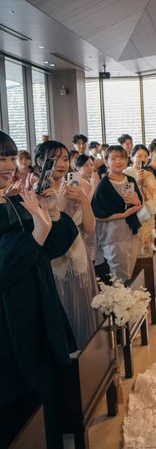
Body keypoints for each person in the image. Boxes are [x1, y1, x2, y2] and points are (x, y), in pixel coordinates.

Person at [0, 130, 79, 449]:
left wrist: (52, 211)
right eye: (0, 159)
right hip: (9, 322)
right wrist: (37, 234)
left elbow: (52, 248)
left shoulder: (15, 200)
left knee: (45, 396)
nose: (8, 165)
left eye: (10, 158)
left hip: (39, 309)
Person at [34, 141, 100, 349]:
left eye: (64, 159)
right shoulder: (35, 194)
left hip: (79, 256)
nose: (61, 164)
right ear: (40, 162)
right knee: (63, 310)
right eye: (53, 159)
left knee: (83, 308)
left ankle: (90, 361)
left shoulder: (79, 187)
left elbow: (89, 228)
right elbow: (46, 234)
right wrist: (59, 206)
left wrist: (85, 200)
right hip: (55, 261)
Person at [92, 145, 143, 281]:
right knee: (118, 277)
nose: (118, 161)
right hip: (112, 236)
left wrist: (137, 201)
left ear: (127, 160)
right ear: (106, 161)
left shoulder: (130, 180)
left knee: (129, 272)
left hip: (131, 232)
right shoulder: (104, 185)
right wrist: (124, 215)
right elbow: (97, 215)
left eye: (121, 158)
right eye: (113, 158)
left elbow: (139, 205)